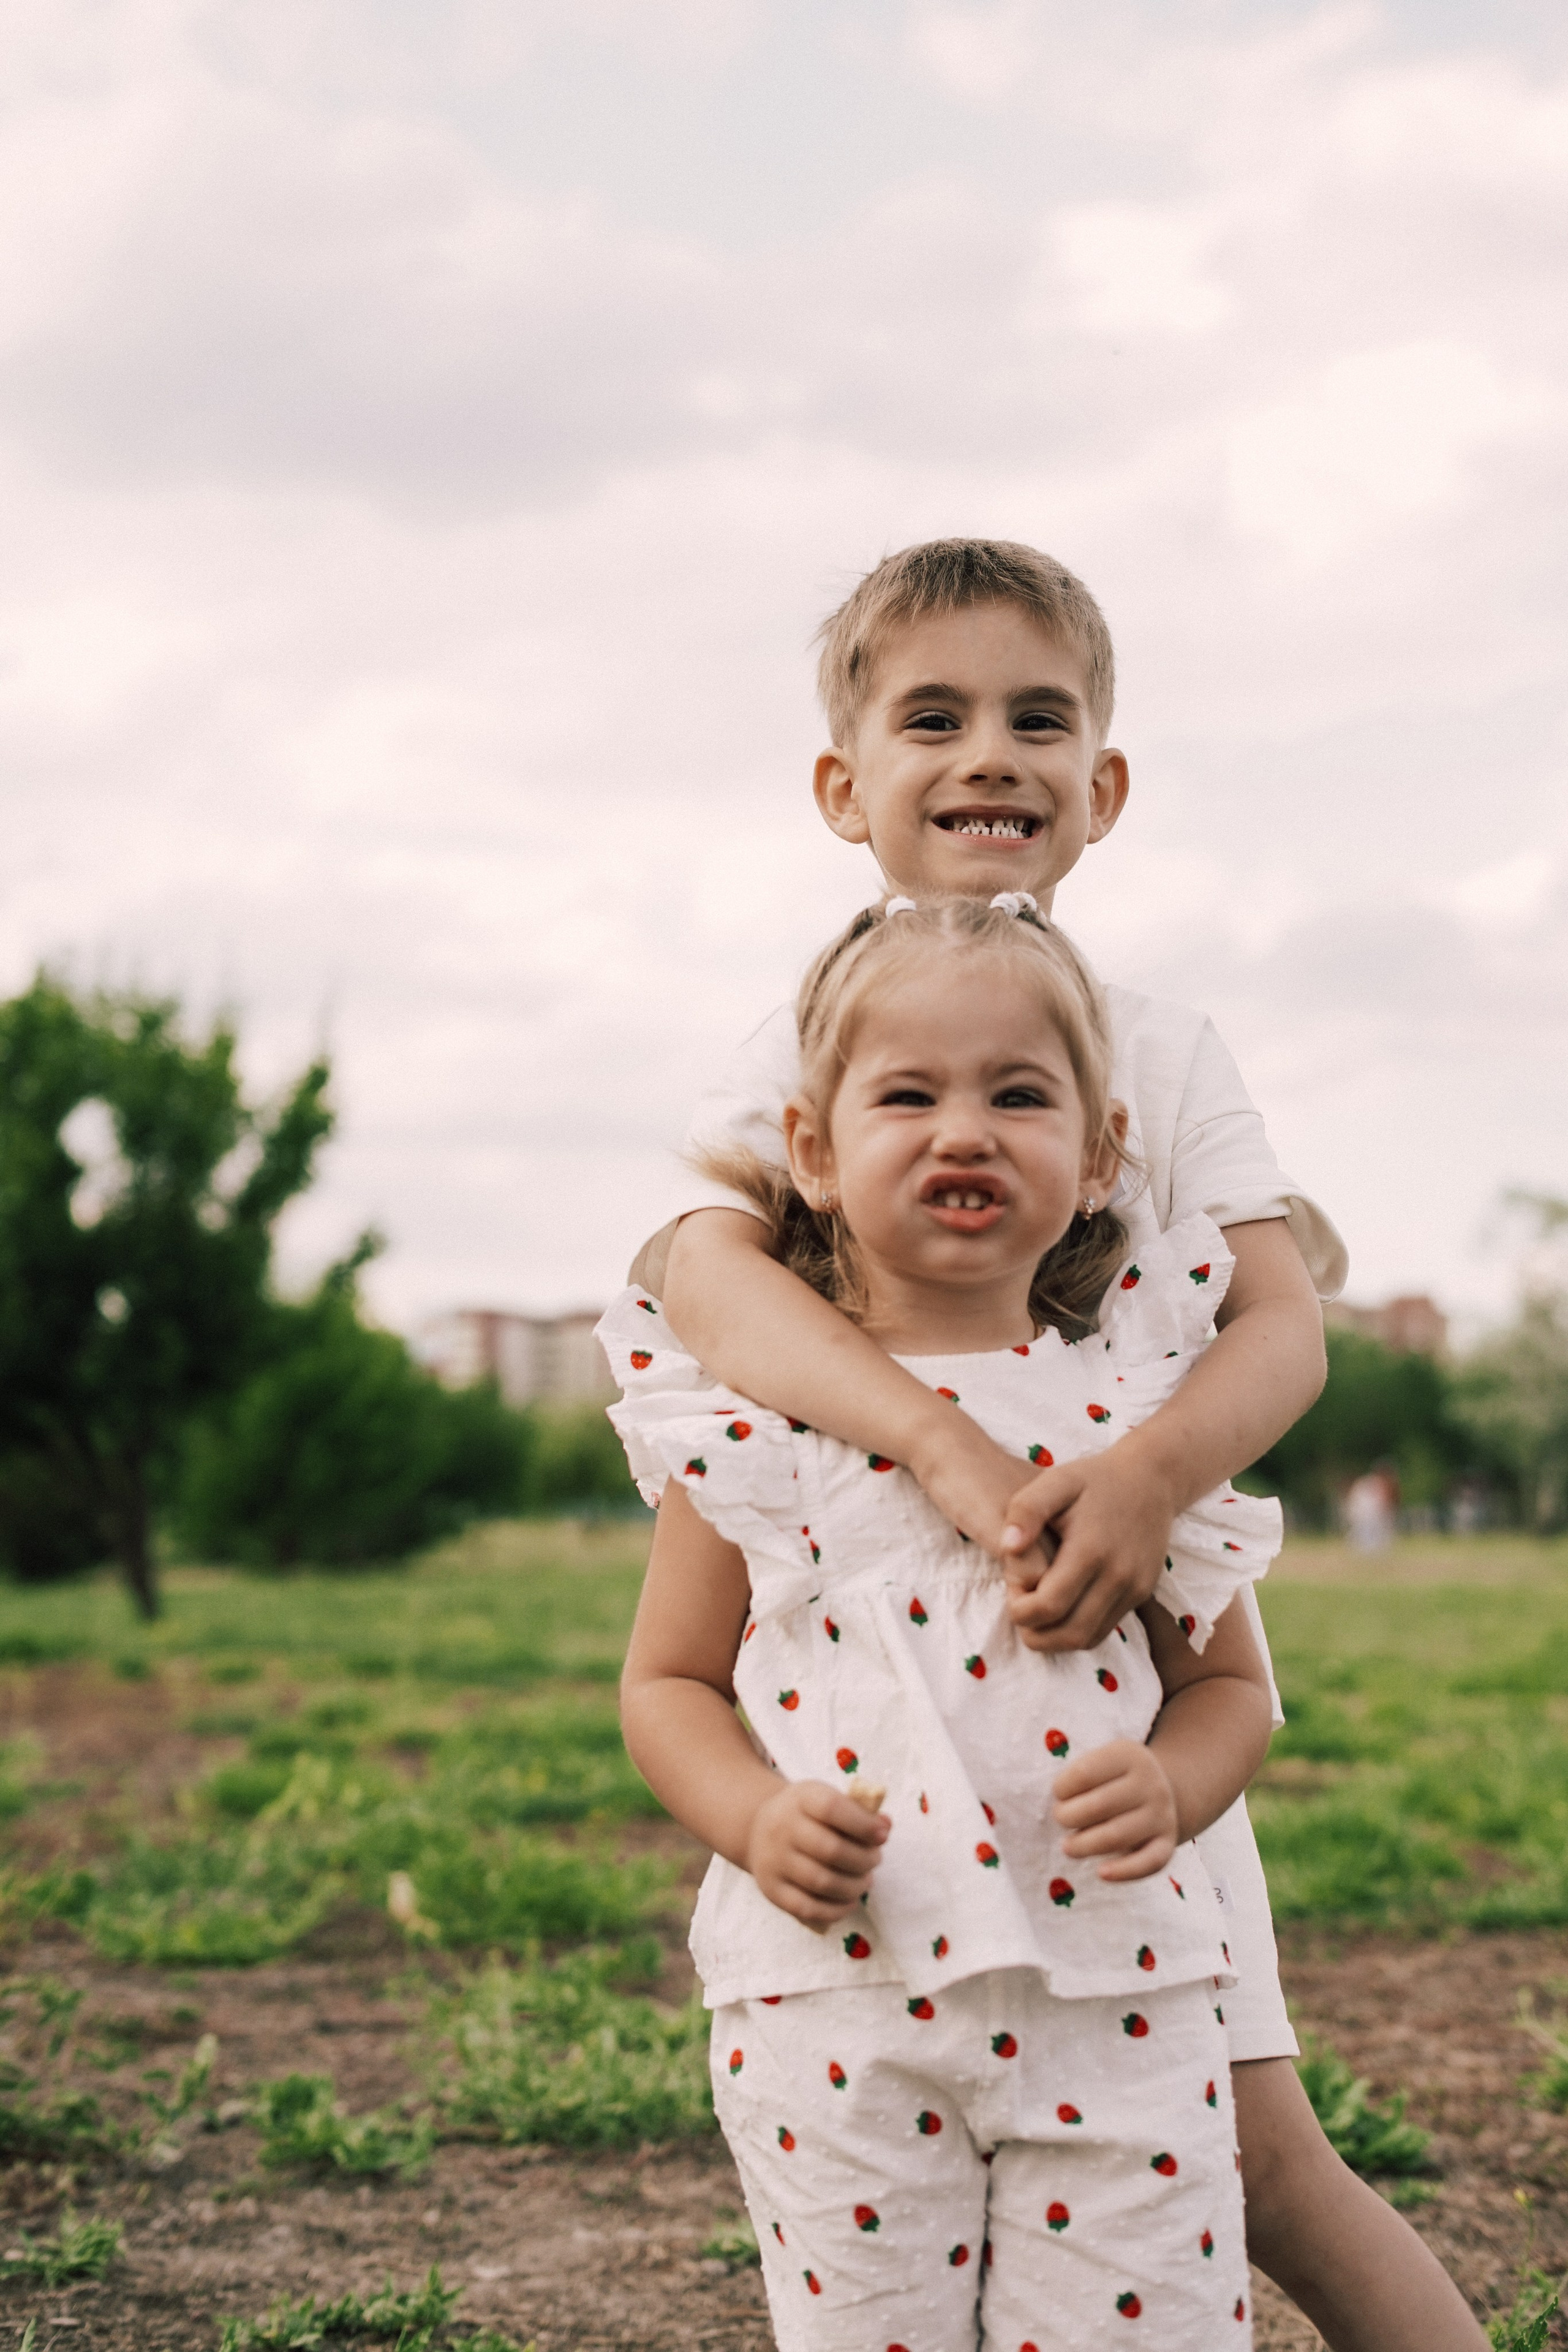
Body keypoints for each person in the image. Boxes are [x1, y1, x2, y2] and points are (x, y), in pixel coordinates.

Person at [629, 541, 1485, 2351]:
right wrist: (937, 1446)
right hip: (891, 1742)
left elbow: (1279, 1322)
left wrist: (1151, 1478)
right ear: (843, 786)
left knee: (1263, 2163)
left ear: (1101, 785)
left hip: (1117, 1742)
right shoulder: (801, 1040)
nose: (987, 756)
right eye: (931, 718)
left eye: (1037, 719)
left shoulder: (1156, 1050)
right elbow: (704, 1279)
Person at [609, 895, 1279, 2348]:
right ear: (813, 1152)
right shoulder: (751, 1418)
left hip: (1118, 2003)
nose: (960, 1131)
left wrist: (1175, 1785)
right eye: (906, 1096)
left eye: (1017, 1096)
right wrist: (750, 1817)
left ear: (1098, 1156)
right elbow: (665, 1683)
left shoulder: (1138, 1420)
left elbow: (1228, 1689)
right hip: (836, 2008)